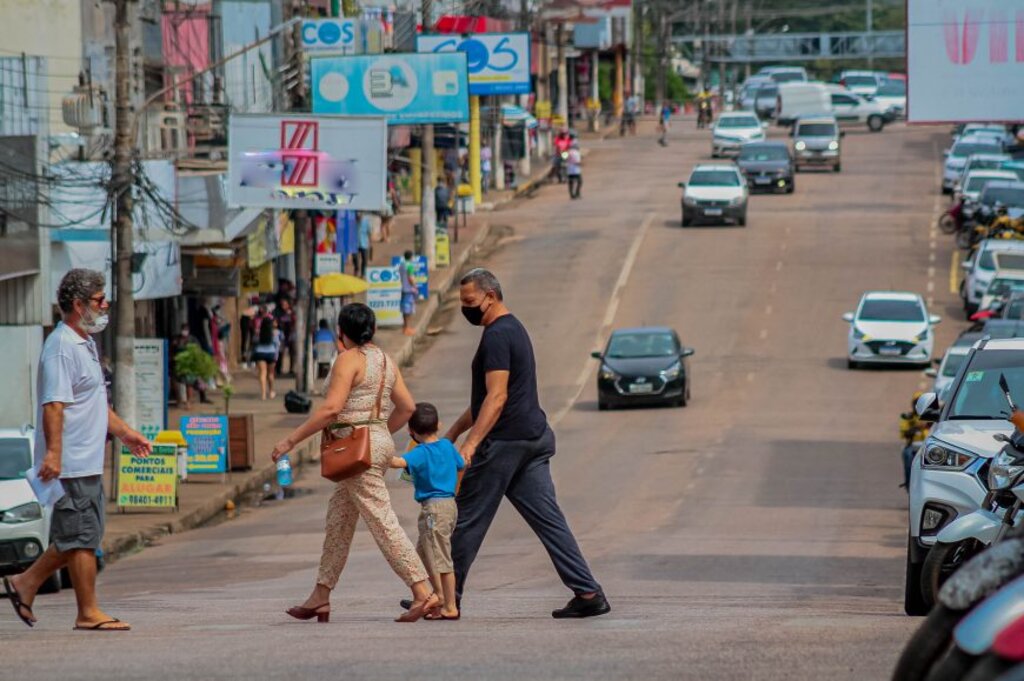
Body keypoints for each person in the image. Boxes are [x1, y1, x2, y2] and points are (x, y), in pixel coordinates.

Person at [445, 268, 609, 618]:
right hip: (532, 439)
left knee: (466, 517)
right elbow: (484, 400)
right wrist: (453, 432)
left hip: (505, 443)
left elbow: (497, 398)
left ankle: (444, 597)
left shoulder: (497, 336)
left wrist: (471, 445)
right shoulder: (511, 329)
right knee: (549, 521)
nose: (466, 308)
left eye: (470, 301)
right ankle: (588, 592)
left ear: (491, 296)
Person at [271, 303, 440, 623]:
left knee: (381, 520)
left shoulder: (348, 359)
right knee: (339, 521)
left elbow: (331, 409)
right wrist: (377, 434)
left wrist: (290, 441)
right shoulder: (386, 361)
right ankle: (321, 594)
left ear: (342, 333)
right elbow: (406, 408)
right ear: (372, 330)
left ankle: (423, 590)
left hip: (354, 450)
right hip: (373, 441)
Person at [4, 268, 151, 631]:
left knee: (81, 536)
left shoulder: (84, 343)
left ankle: (25, 583)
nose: (106, 306)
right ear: (77, 304)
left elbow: (95, 404)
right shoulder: (60, 348)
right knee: (80, 538)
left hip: (87, 461)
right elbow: (54, 405)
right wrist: (53, 455)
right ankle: (86, 611)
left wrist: (126, 434)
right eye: (100, 301)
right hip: (70, 463)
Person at [389, 402, 465, 620]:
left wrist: (377, 453)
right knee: (424, 554)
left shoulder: (420, 452)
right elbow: (461, 465)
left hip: (434, 509)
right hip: (449, 507)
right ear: (439, 424)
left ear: (410, 432)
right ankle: (438, 597)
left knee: (441, 558)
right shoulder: (448, 447)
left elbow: (398, 462)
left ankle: (447, 604)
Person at [899, 392, 929, 489]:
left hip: (928, 447)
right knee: (908, 456)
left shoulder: (932, 416)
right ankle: (909, 484)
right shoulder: (908, 417)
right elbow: (904, 433)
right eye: (916, 402)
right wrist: (917, 427)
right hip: (912, 447)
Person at [253, 316, 282, 401]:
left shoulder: (258, 332)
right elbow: (277, 344)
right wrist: (276, 356)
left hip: (260, 353)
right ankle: (271, 391)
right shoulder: (275, 333)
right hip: (271, 353)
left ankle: (263, 394)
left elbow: (254, 341)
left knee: (262, 373)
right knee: (270, 374)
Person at [274, 297, 296, 377]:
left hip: (290, 335)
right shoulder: (278, 313)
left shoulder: (292, 313)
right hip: (281, 334)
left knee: (292, 353)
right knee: (280, 352)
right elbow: (276, 322)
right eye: (282, 304)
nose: (283, 306)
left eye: (285, 304)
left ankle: (291, 369)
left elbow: (295, 322)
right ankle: (278, 369)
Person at [400, 250, 419, 337]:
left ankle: (405, 327)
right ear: (411, 257)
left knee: (405, 309)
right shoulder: (409, 266)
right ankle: (407, 328)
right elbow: (410, 278)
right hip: (409, 289)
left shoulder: (402, 265)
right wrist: (415, 286)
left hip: (403, 288)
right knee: (408, 310)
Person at [354, 211, 372, 279]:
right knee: (355, 258)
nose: (359, 216)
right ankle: (356, 269)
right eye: (357, 215)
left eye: (360, 215)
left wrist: (370, 243)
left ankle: (363, 273)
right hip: (355, 243)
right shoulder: (352, 221)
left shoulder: (366, 221)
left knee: (364, 259)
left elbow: (369, 232)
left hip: (364, 243)